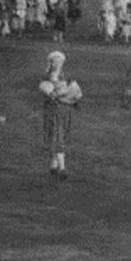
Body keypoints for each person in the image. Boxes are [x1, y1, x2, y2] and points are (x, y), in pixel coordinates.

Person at [39, 50, 82, 180]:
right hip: (53, 111)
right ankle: (62, 168)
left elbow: (76, 92)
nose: (57, 63)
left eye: (59, 61)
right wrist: (64, 95)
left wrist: (73, 99)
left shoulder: (67, 76)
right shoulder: (46, 78)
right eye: (54, 61)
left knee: (61, 135)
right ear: (50, 63)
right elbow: (51, 95)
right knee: (57, 136)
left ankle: (53, 164)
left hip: (64, 111)